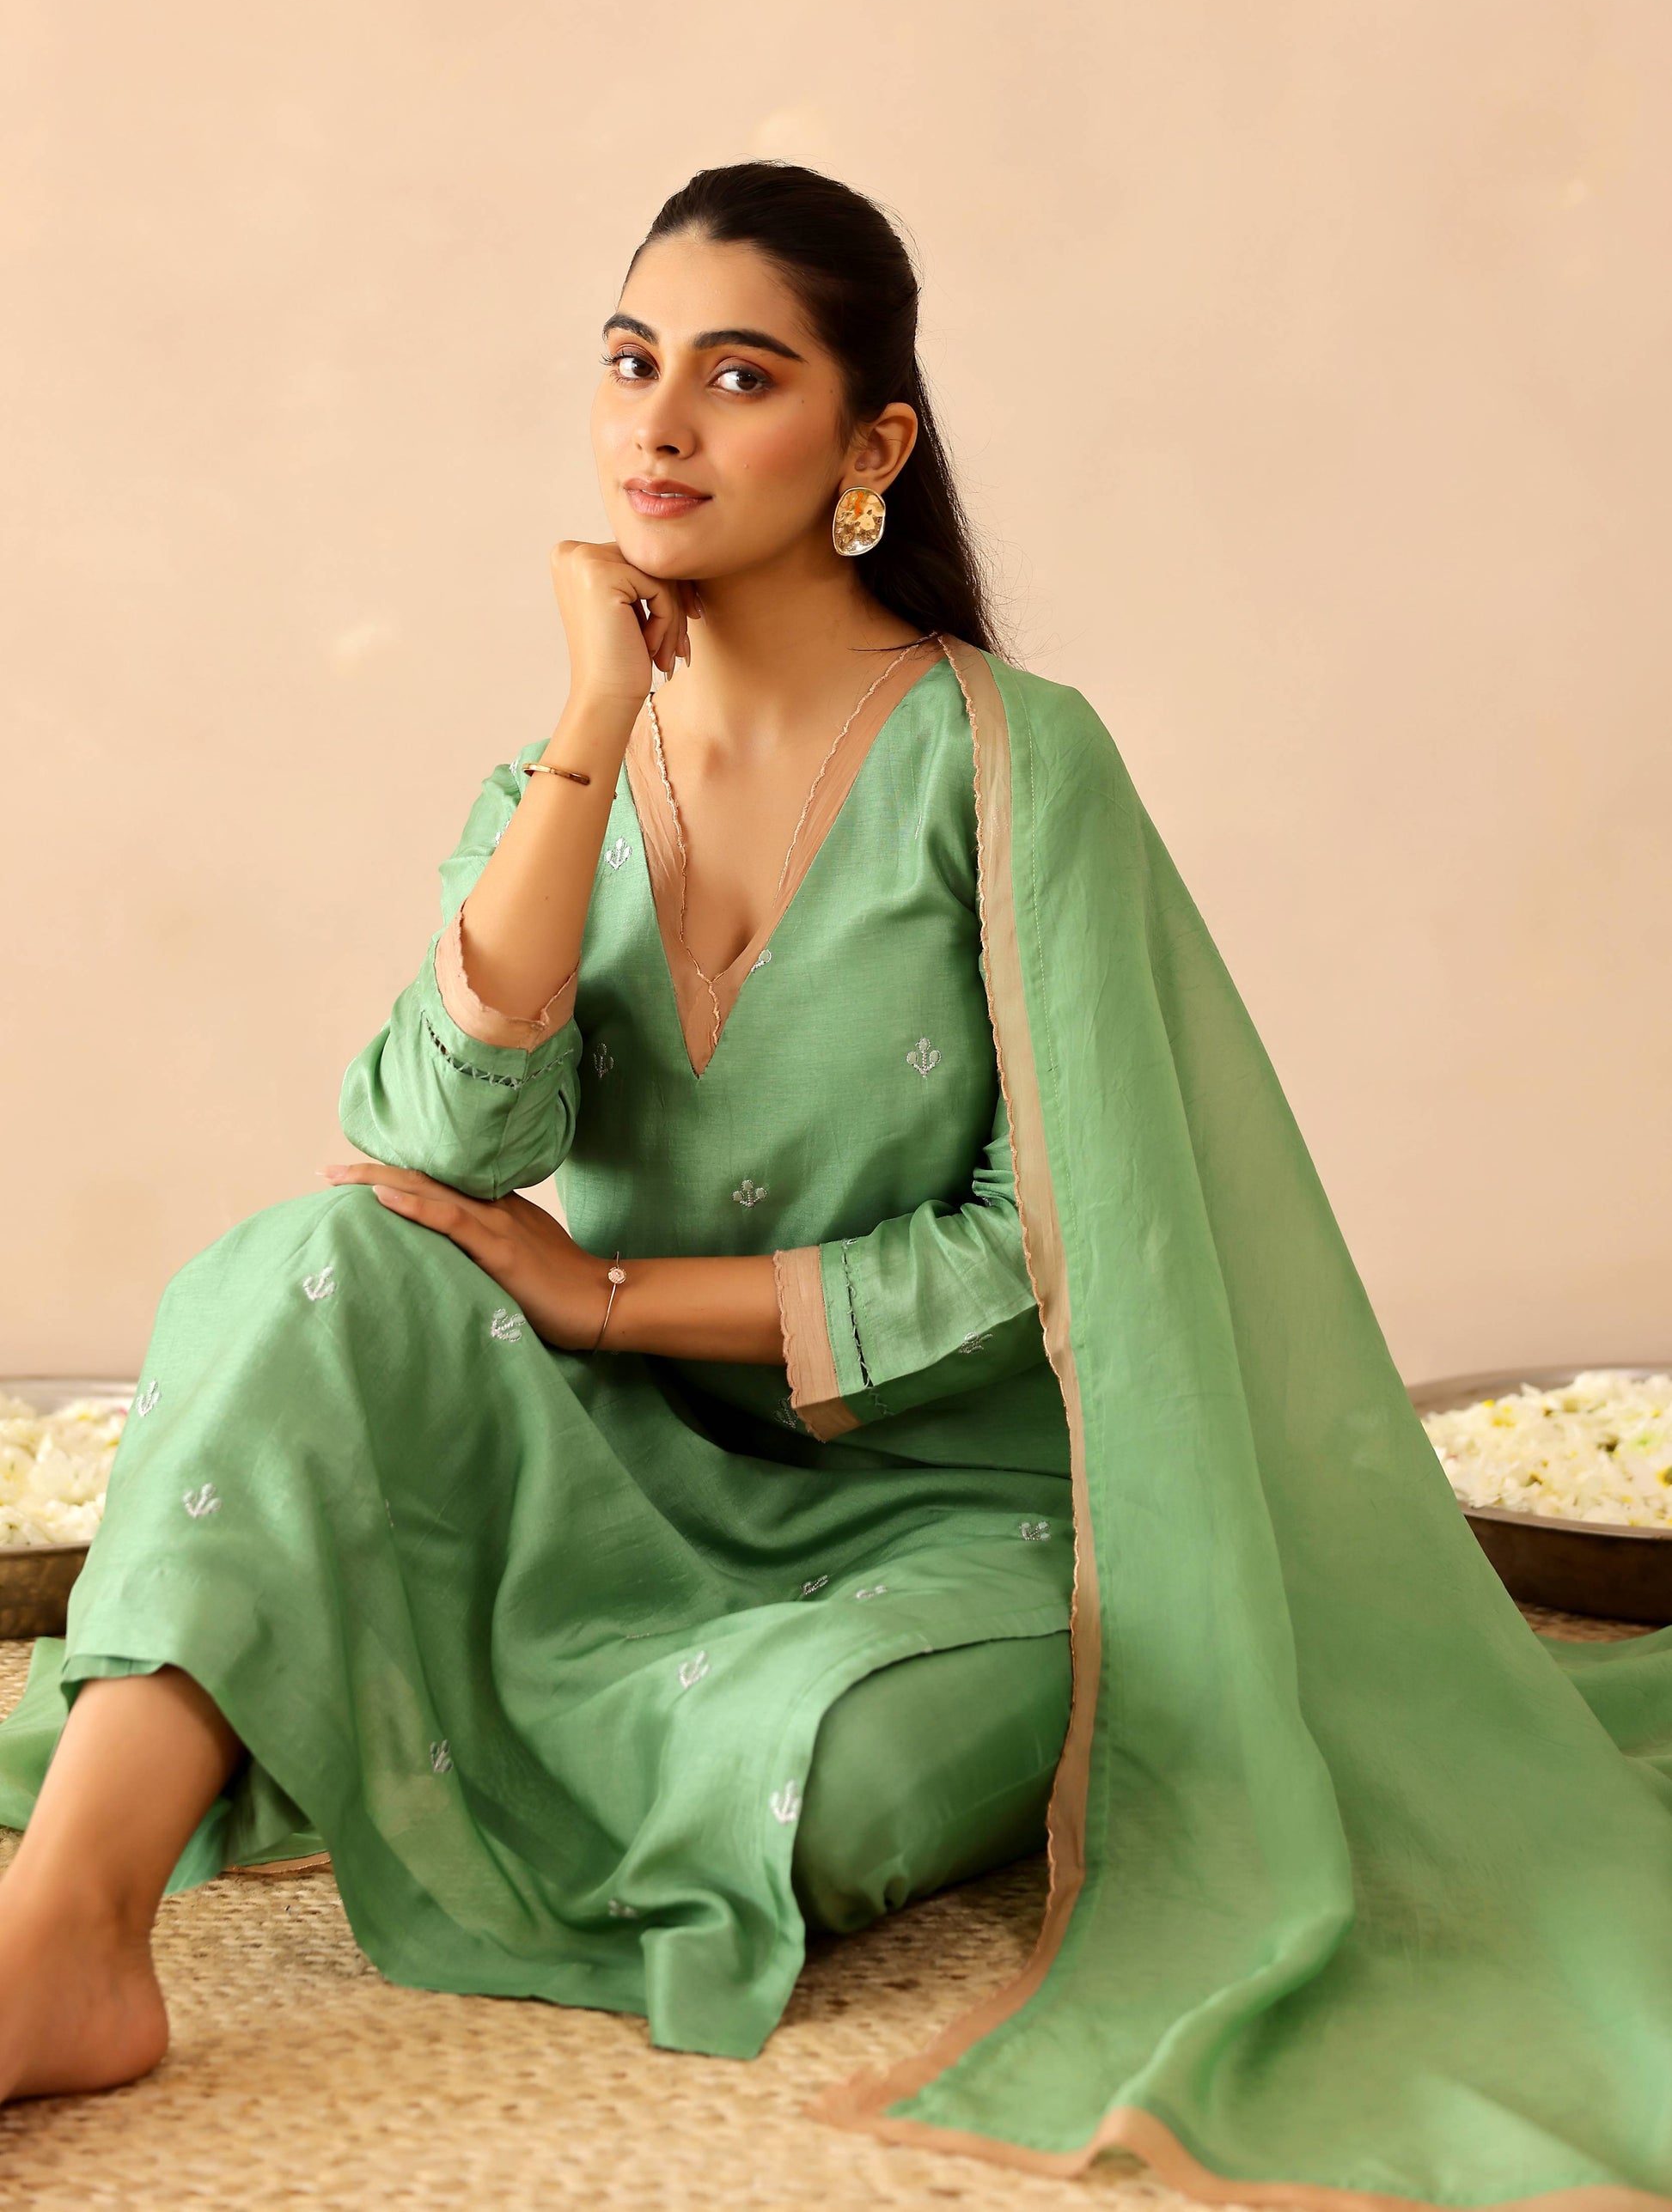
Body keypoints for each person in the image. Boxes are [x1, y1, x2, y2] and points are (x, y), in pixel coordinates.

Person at [7, 161, 1672, 2210]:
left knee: (819, 1779)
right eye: (631, 362)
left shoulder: (1005, 759)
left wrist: (615, 1298)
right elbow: (438, 1152)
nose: (659, 423)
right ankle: (63, 1937)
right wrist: (593, 720)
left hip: (960, 1514)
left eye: (738, 375)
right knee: (304, 1262)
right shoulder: (558, 781)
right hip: (617, 1467)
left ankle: (380, 1672)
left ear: (871, 446)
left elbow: (1052, 1241)